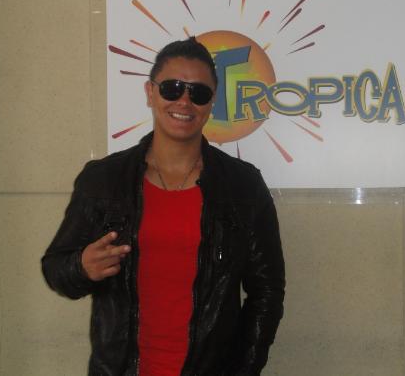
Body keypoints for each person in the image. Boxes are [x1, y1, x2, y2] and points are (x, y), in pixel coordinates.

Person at [41, 37, 285, 376]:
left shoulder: (243, 186)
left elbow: (267, 291)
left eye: (199, 93)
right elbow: (55, 268)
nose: (184, 100)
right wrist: (81, 267)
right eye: (172, 88)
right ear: (150, 92)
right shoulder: (104, 180)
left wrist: (245, 369)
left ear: (212, 102)